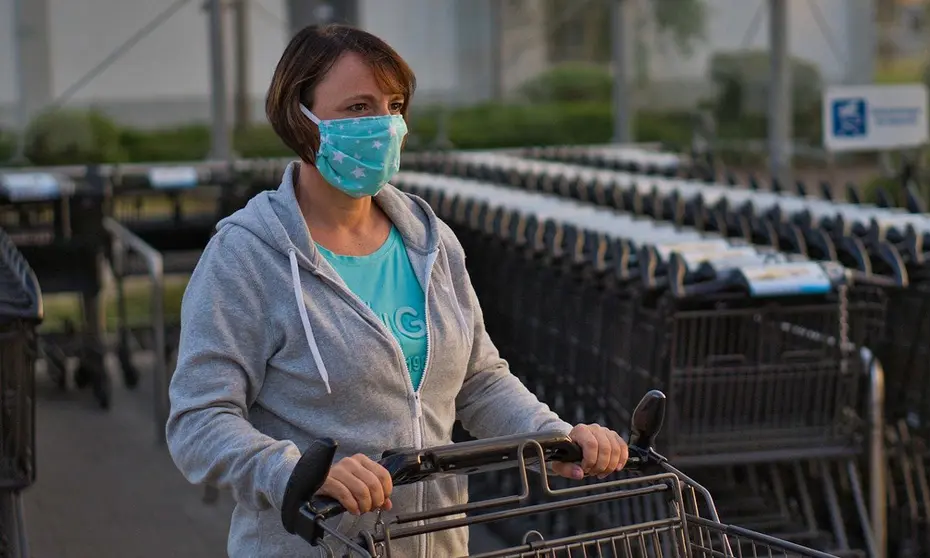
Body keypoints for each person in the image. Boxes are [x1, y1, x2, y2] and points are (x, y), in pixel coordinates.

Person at [166, 24, 629, 557]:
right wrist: (293, 473)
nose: (383, 125)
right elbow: (199, 420)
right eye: (359, 107)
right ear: (302, 118)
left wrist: (554, 437)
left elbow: (477, 380)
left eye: (394, 104)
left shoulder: (429, 242)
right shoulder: (247, 257)